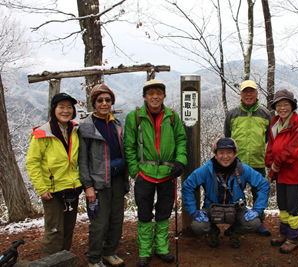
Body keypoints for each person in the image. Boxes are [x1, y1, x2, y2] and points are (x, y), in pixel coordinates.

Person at [124, 79, 187, 267]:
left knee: (164, 213)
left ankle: (161, 247)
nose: (155, 97)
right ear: (145, 96)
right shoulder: (134, 117)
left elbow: (181, 141)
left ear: (164, 96)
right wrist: (135, 171)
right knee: (144, 214)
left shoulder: (172, 117)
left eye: (159, 93)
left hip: (168, 173)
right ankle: (144, 251)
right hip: (144, 174)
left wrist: (180, 162)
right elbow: (129, 146)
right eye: (151, 93)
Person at [182, 138, 270, 249]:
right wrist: (193, 211)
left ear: (234, 153)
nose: (225, 156)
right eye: (221, 152)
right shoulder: (206, 170)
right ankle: (213, 232)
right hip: (211, 207)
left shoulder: (243, 169)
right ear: (215, 154)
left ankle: (233, 232)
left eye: (229, 152)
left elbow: (263, 185)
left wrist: (257, 209)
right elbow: (187, 186)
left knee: (254, 224)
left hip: (237, 208)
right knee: (198, 226)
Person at [79, 84, 129, 267]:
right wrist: (87, 185)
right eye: (99, 100)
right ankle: (94, 258)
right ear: (94, 103)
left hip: (116, 178)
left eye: (108, 100)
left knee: (116, 219)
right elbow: (82, 160)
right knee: (99, 223)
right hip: (97, 182)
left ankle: (109, 252)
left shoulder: (116, 124)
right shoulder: (86, 127)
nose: (104, 103)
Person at [26, 93, 82, 257]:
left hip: (72, 189)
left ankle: (63, 260)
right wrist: (42, 189)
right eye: (61, 107)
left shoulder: (75, 130)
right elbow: (32, 163)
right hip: (52, 191)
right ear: (53, 109)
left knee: (68, 230)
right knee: (54, 232)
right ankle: (49, 262)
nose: (66, 111)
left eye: (69, 107)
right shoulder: (42, 134)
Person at [224, 80, 272, 236]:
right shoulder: (232, 114)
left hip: (258, 161)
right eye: (245, 91)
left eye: (251, 91)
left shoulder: (265, 114)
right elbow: (228, 138)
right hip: (238, 162)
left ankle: (259, 221)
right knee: (234, 194)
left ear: (257, 94)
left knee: (259, 193)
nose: (248, 94)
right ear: (241, 94)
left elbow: (268, 138)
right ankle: (234, 221)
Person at [264, 89, 298, 254]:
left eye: (286, 105)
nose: (282, 108)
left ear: (292, 106)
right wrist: (270, 162)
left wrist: (277, 162)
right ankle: (284, 232)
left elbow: (294, 149)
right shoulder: (275, 123)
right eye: (279, 105)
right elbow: (271, 145)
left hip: (294, 172)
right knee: (282, 205)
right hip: (280, 172)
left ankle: (294, 236)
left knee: (293, 207)